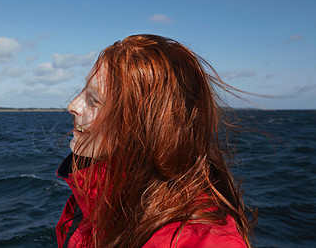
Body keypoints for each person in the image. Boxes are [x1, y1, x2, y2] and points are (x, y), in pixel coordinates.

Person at [56, 34, 256, 248]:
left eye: (93, 100)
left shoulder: (200, 240)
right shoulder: (92, 197)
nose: (73, 105)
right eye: (83, 90)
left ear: (146, 125)